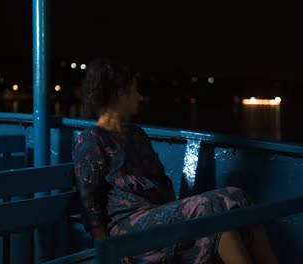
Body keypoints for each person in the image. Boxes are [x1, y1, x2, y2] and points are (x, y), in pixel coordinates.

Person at [72, 57, 278, 263]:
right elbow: (90, 203)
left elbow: (163, 183)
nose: (139, 96)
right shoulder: (92, 139)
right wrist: (109, 251)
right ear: (119, 94)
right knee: (214, 206)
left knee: (237, 198)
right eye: (134, 91)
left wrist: (183, 219)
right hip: (128, 231)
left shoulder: (137, 134)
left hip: (157, 219)